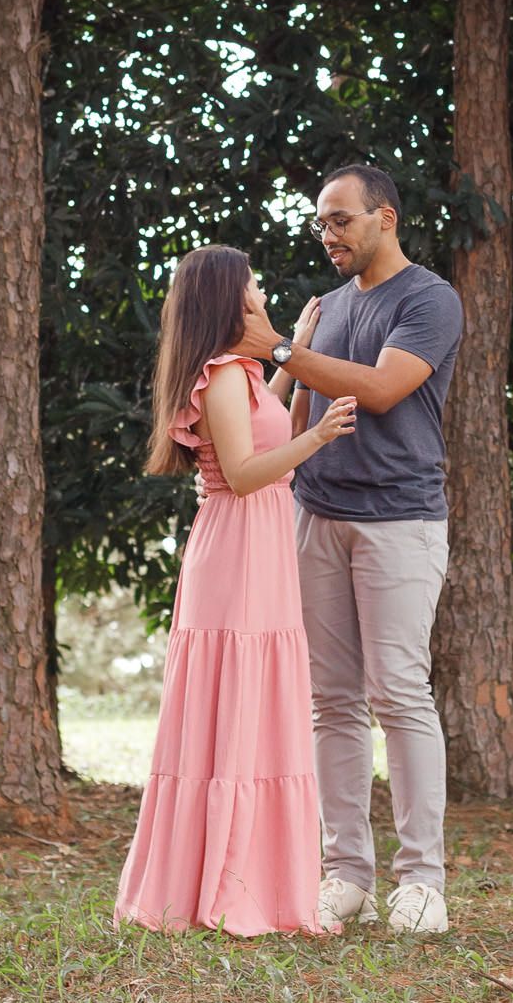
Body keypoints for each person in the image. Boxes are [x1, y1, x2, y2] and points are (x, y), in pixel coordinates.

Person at [235, 162, 463, 938]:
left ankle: (423, 883)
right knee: (329, 703)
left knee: (399, 694)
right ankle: (346, 877)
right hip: (317, 518)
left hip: (401, 522)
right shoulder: (321, 309)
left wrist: (281, 352)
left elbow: (382, 389)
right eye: (319, 222)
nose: (327, 234)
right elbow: (294, 421)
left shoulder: (429, 299)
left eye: (341, 220)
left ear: (385, 219)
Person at [114, 244, 357, 937]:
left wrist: (294, 353)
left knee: (253, 704)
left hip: (257, 545)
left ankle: (252, 876)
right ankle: (221, 884)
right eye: (251, 281)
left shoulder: (242, 375)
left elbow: (257, 426)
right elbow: (248, 472)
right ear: (229, 296)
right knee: (234, 700)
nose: (259, 288)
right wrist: (318, 439)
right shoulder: (220, 375)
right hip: (237, 549)